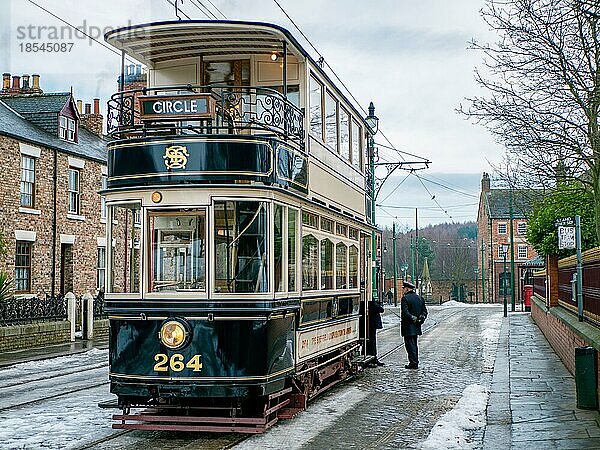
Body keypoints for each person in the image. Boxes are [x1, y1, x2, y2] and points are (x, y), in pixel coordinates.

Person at [401, 281, 427, 369]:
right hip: (417, 326)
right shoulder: (420, 298)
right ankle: (415, 361)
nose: (403, 290)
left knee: (409, 345)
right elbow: (424, 311)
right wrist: (421, 318)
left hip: (408, 326)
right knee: (414, 344)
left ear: (407, 289)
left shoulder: (405, 298)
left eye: (404, 288)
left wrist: (413, 318)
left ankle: (413, 362)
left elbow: (405, 312)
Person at [367, 298, 385, 367]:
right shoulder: (370, 299)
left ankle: (373, 358)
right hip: (371, 324)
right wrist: (380, 306)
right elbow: (379, 309)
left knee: (371, 341)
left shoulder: (370, 299)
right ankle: (372, 358)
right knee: (372, 341)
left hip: (370, 324)